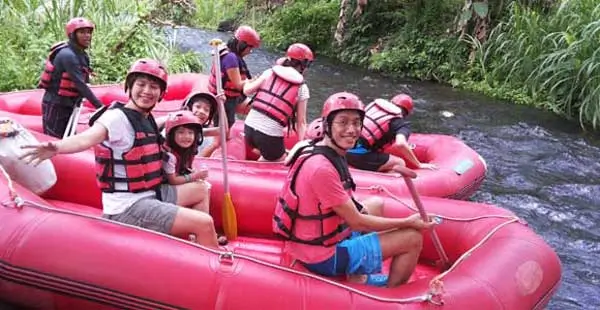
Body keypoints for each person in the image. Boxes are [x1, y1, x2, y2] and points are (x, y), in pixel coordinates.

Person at [20, 58, 220, 249]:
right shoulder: (116, 119)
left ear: (161, 93)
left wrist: (215, 118)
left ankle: (195, 244)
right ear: (130, 86)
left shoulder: (147, 118)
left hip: (151, 194)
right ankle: (205, 250)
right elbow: (87, 138)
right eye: (141, 84)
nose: (147, 91)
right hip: (127, 208)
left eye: (154, 87)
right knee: (204, 222)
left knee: (201, 189)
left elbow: (178, 123)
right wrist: (57, 147)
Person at [273, 92, 435, 288]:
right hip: (321, 256)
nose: (351, 130)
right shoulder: (321, 168)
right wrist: (408, 222)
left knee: (376, 204)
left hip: (325, 239)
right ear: (327, 125)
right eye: (343, 122)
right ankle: (390, 295)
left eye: (357, 122)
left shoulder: (331, 151)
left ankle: (357, 273)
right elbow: (357, 221)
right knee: (412, 237)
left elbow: (349, 211)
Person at [242, 43, 313, 162]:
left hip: (248, 129)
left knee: (270, 153)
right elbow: (301, 122)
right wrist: (302, 146)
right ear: (304, 65)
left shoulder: (269, 72)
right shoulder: (302, 88)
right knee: (283, 161)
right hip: (268, 136)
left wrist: (247, 82)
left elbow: (246, 90)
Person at [38, 17, 104, 138]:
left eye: (89, 32)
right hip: (56, 104)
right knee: (55, 139)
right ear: (72, 35)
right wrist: (100, 107)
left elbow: (85, 79)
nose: (87, 36)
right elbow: (80, 84)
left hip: (69, 103)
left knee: (69, 139)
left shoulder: (82, 55)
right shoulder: (67, 55)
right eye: (82, 32)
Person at [345, 94, 437, 173]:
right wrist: (418, 164)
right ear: (407, 113)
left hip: (344, 148)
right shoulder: (400, 123)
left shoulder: (374, 107)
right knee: (399, 163)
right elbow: (400, 144)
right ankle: (381, 185)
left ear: (391, 102)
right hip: (358, 155)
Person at [208, 25, 260, 130]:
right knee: (225, 130)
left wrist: (251, 81)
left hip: (232, 97)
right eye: (250, 48)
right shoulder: (230, 58)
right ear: (242, 45)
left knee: (259, 107)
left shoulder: (229, 52)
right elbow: (239, 85)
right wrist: (256, 82)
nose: (250, 51)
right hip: (224, 99)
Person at [162, 110, 211, 212]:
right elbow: (173, 180)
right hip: (162, 190)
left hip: (170, 187)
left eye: (190, 133)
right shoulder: (169, 155)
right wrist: (194, 176)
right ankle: (200, 222)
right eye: (181, 132)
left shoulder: (184, 151)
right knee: (202, 188)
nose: (187, 136)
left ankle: (199, 222)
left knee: (205, 186)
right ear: (171, 134)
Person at [180, 92, 221, 157]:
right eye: (198, 107)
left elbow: (222, 130)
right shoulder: (173, 127)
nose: (202, 111)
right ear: (188, 108)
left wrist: (221, 106)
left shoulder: (203, 135)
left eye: (206, 110)